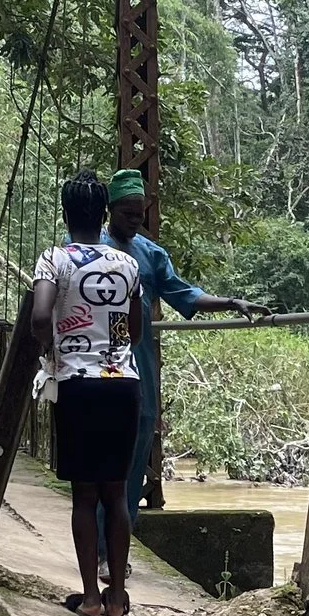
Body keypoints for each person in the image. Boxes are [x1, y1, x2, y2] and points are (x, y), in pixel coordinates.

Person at [103, 170, 267, 518]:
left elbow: (185, 294)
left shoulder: (150, 254)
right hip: (97, 363)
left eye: (140, 214)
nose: (135, 220)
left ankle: (115, 548)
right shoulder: (90, 248)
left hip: (140, 366)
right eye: (127, 214)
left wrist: (231, 302)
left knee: (136, 454)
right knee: (103, 460)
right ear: (109, 209)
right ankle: (98, 547)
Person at [32, 173, 145, 616]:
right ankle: (118, 597)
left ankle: (91, 598)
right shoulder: (126, 265)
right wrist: (106, 343)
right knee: (115, 494)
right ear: (103, 216)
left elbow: (41, 314)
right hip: (122, 383)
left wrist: (51, 348)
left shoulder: (53, 259)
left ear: (65, 213)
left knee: (84, 495)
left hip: (78, 385)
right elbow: (130, 330)